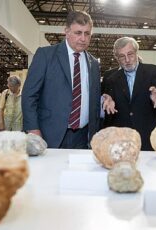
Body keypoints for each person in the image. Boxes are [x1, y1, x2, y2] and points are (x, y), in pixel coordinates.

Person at [22, 10, 112, 149]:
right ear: (67, 31)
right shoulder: (46, 55)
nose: (83, 38)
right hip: (49, 136)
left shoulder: (93, 63)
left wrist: (104, 98)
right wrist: (33, 130)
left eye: (87, 33)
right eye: (78, 33)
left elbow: (90, 96)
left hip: (83, 137)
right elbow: (29, 96)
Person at [103, 37, 156, 151]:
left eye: (130, 54)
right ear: (117, 58)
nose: (127, 60)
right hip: (120, 138)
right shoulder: (110, 77)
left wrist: (155, 95)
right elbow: (106, 100)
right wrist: (106, 99)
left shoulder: (153, 71)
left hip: (147, 137)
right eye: (122, 56)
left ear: (136, 53)